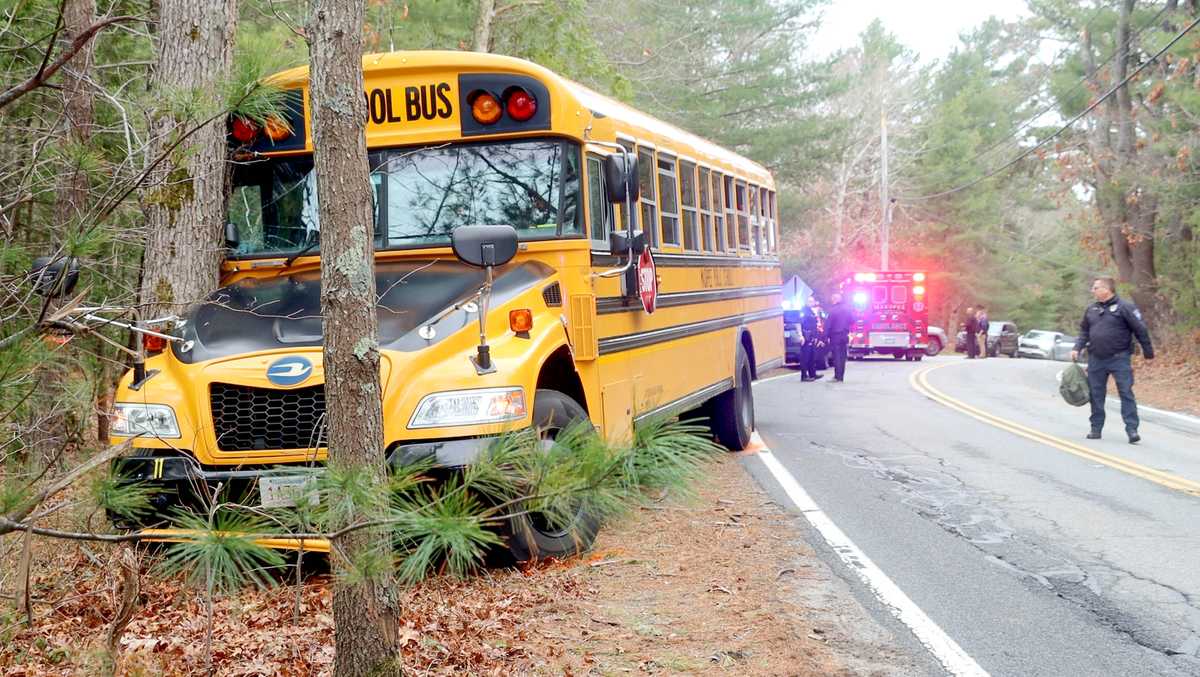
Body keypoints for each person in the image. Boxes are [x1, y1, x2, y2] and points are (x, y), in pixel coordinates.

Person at [1071, 277, 1154, 443]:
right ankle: (1096, 428)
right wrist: (1077, 347)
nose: (1093, 291)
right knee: (1096, 395)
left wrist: (1148, 352)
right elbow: (1084, 331)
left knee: (1126, 392)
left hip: (1119, 358)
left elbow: (1140, 329)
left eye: (1095, 288)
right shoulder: (1091, 309)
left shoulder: (1125, 307)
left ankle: (1132, 429)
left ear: (1106, 289)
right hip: (1096, 358)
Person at [825, 292, 853, 382]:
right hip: (844, 335)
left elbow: (828, 324)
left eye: (832, 299)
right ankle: (841, 376)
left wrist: (825, 336)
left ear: (835, 300)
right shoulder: (848, 309)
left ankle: (837, 376)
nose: (831, 301)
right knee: (842, 356)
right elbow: (853, 320)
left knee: (836, 356)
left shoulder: (832, 310)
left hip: (835, 335)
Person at [798, 295, 823, 381]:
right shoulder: (803, 311)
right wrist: (801, 336)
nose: (811, 303)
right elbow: (798, 323)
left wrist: (816, 336)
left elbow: (815, 325)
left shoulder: (811, 311)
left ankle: (812, 374)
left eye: (812, 301)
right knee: (805, 357)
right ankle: (804, 376)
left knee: (812, 357)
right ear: (806, 302)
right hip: (806, 337)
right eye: (809, 301)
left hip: (812, 336)